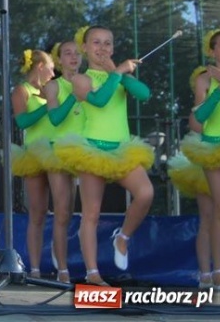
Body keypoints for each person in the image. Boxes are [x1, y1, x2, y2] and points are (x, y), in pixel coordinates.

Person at [55, 25, 154, 286]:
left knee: (145, 193)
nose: (102, 48)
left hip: (122, 149)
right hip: (92, 150)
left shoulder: (118, 77)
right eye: (96, 43)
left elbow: (144, 94)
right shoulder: (80, 79)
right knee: (91, 214)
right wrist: (117, 72)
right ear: (85, 48)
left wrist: (117, 72)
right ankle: (93, 273)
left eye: (107, 43)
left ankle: (122, 237)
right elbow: (98, 101)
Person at [9, 48, 66, 281]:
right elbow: (23, 121)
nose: (54, 73)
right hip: (34, 152)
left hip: (56, 150)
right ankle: (34, 268)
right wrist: (47, 105)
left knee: (62, 210)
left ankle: (59, 258)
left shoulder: (54, 89)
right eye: (52, 68)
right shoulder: (23, 90)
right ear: (40, 67)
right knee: (38, 212)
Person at [182, 29, 220, 292]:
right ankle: (212, 271)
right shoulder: (204, 79)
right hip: (213, 149)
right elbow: (198, 123)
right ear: (211, 51)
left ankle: (212, 271)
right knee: (216, 211)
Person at [38, 39, 86, 283]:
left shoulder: (88, 82)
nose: (74, 57)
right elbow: (55, 118)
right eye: (68, 54)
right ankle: (63, 269)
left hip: (86, 151)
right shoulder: (53, 86)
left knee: (85, 211)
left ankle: (91, 269)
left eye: (77, 53)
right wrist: (73, 98)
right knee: (63, 211)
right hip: (59, 151)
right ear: (59, 60)